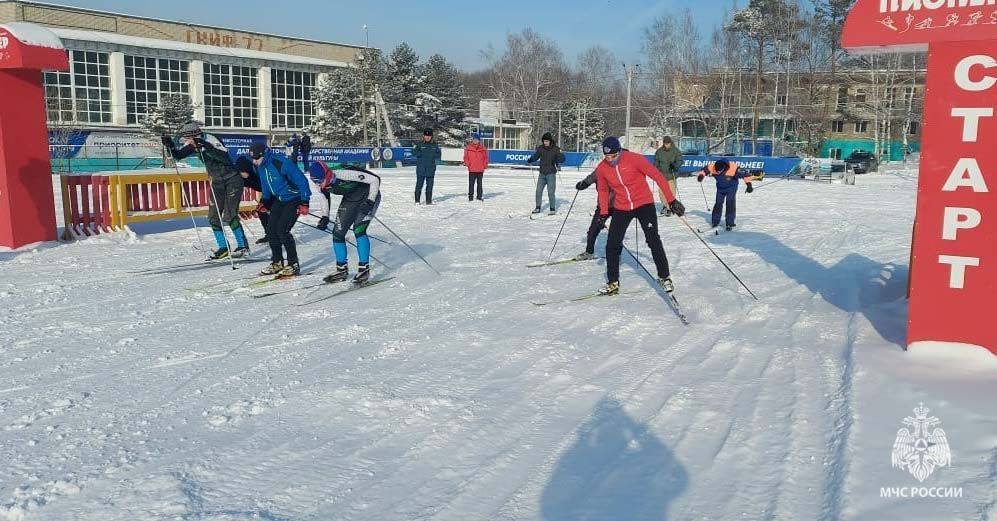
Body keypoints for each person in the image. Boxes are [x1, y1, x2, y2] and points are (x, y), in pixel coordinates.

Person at [594, 136, 685, 296]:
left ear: (619, 152)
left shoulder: (635, 159)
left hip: (644, 204)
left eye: (613, 156)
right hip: (622, 207)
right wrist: (603, 212)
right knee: (612, 244)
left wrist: (671, 200)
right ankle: (613, 282)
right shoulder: (602, 168)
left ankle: (664, 277)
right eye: (607, 157)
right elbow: (603, 190)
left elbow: (657, 176)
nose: (610, 160)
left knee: (653, 239)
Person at [162, 122, 249, 259]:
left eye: (188, 138)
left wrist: (207, 147)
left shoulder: (210, 139)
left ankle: (243, 246)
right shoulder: (192, 145)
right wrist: (170, 146)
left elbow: (225, 158)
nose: (187, 141)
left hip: (232, 179)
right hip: (217, 182)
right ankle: (223, 247)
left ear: (195, 135)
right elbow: (178, 156)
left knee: (229, 215)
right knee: (213, 217)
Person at [309, 162, 382, 285]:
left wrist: (370, 201)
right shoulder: (319, 183)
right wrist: (325, 217)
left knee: (359, 229)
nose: (319, 184)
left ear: (327, 174)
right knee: (338, 232)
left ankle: (364, 269)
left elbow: (375, 179)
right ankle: (341, 269)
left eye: (320, 181)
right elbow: (324, 197)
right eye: (316, 182)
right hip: (350, 199)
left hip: (368, 195)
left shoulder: (343, 173)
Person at [251, 143, 312, 277]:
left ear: (264, 154)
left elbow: (302, 181)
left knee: (282, 231)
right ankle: (277, 262)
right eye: (252, 158)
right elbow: (265, 186)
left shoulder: (281, 162)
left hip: (294, 198)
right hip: (280, 199)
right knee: (271, 230)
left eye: (256, 158)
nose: (254, 161)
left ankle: (293, 264)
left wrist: (305, 202)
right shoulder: (261, 167)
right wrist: (264, 202)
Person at [698, 159, 759, 231]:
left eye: (719, 171)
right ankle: (715, 221)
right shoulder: (712, 166)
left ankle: (730, 223)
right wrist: (701, 176)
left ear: (724, 168)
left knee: (730, 203)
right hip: (720, 188)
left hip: (731, 187)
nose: (717, 172)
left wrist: (749, 185)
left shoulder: (733, 167)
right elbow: (703, 170)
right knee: (718, 203)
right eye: (716, 171)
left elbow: (745, 175)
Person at [234, 152, 271, 245]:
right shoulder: (244, 177)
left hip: (273, 191)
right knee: (261, 211)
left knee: (273, 212)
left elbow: (266, 184)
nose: (242, 174)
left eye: (243, 172)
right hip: (266, 192)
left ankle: (277, 234)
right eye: (240, 172)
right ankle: (270, 234)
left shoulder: (257, 173)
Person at [574, 170, 610, 261]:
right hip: (602, 205)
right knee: (592, 231)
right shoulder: (601, 169)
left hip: (619, 205)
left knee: (616, 233)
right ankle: (589, 252)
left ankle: (616, 254)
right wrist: (584, 184)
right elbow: (591, 177)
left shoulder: (620, 169)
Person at [527, 132, 565, 215]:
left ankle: (552, 208)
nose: (545, 143)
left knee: (551, 192)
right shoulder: (540, 148)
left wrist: (561, 156)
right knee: (538, 191)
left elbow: (561, 159)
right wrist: (531, 159)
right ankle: (537, 207)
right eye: (544, 141)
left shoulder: (555, 149)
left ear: (550, 141)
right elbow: (536, 156)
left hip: (551, 174)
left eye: (547, 141)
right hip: (542, 174)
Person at [654, 136, 684, 216]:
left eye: (668, 143)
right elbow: (656, 162)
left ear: (670, 143)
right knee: (661, 192)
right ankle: (665, 206)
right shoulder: (659, 151)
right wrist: (657, 169)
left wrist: (675, 165)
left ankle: (669, 207)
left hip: (671, 174)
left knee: (671, 192)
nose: (667, 145)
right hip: (662, 175)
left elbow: (680, 160)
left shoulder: (676, 151)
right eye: (665, 143)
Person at [412, 128, 441, 204]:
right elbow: (414, 152)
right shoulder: (419, 144)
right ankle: (417, 201)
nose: (427, 137)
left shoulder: (435, 145)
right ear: (423, 136)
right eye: (426, 135)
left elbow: (438, 154)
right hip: (421, 169)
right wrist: (420, 154)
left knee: (430, 186)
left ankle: (428, 200)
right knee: (419, 185)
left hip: (431, 169)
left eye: (429, 136)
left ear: (431, 136)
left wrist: (435, 159)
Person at [463, 133, 489, 201]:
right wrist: (468, 164)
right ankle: (470, 197)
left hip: (480, 169)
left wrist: (484, 165)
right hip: (472, 169)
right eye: (474, 139)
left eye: (477, 139)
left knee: (479, 184)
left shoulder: (483, 148)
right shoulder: (468, 148)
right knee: (471, 184)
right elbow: (465, 157)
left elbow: (486, 157)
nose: (475, 141)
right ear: (472, 140)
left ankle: (479, 196)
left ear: (479, 140)